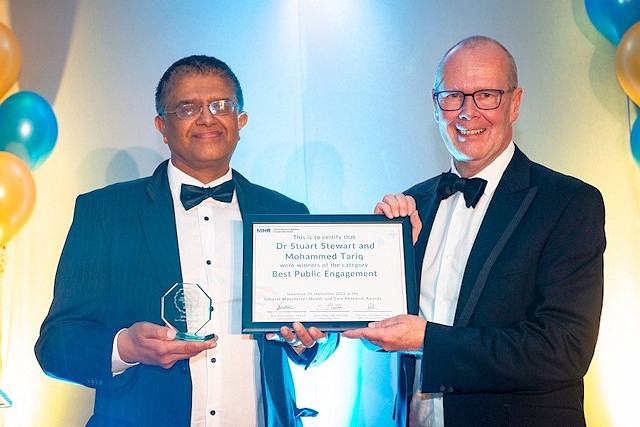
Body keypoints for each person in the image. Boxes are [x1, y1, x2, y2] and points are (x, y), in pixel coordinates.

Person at [35, 55, 338, 427]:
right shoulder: (105, 212)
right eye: (187, 107)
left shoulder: (287, 213)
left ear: (240, 121)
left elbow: (324, 339)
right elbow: (56, 345)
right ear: (162, 126)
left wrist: (306, 340)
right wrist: (125, 348)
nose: (207, 117)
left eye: (221, 105)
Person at [343, 36, 606, 426]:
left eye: (486, 95)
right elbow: (386, 324)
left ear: (515, 103)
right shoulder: (413, 206)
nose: (467, 113)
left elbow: (563, 349)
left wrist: (428, 341)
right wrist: (324, 323)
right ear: (436, 106)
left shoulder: (567, 203)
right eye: (453, 96)